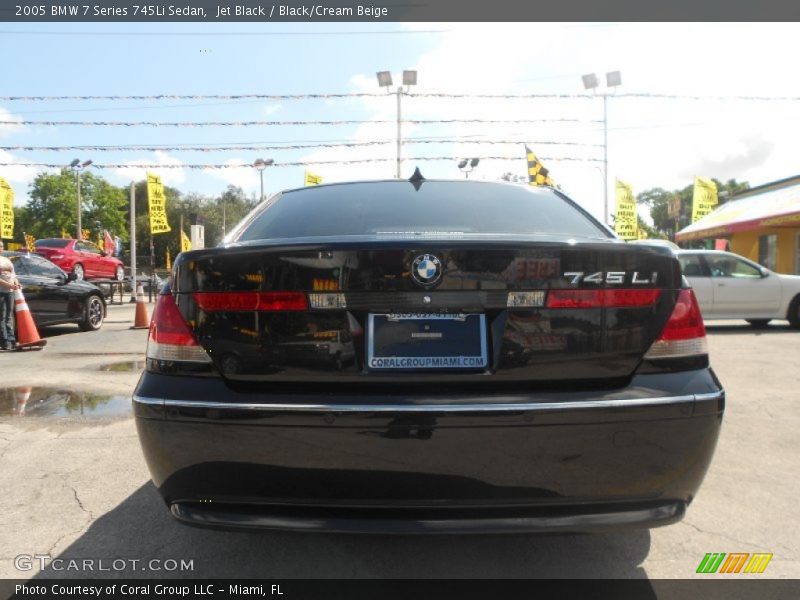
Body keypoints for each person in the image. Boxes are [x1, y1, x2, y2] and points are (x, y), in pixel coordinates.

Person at [0, 240, 20, 350]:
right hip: (1, 292)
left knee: (9, 317)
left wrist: (16, 283)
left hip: (10, 293)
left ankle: (12, 340)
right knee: (1, 318)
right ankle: (4, 342)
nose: (0, 248)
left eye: (2, 246)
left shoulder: (6, 260)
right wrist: (9, 285)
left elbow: (13, 275)